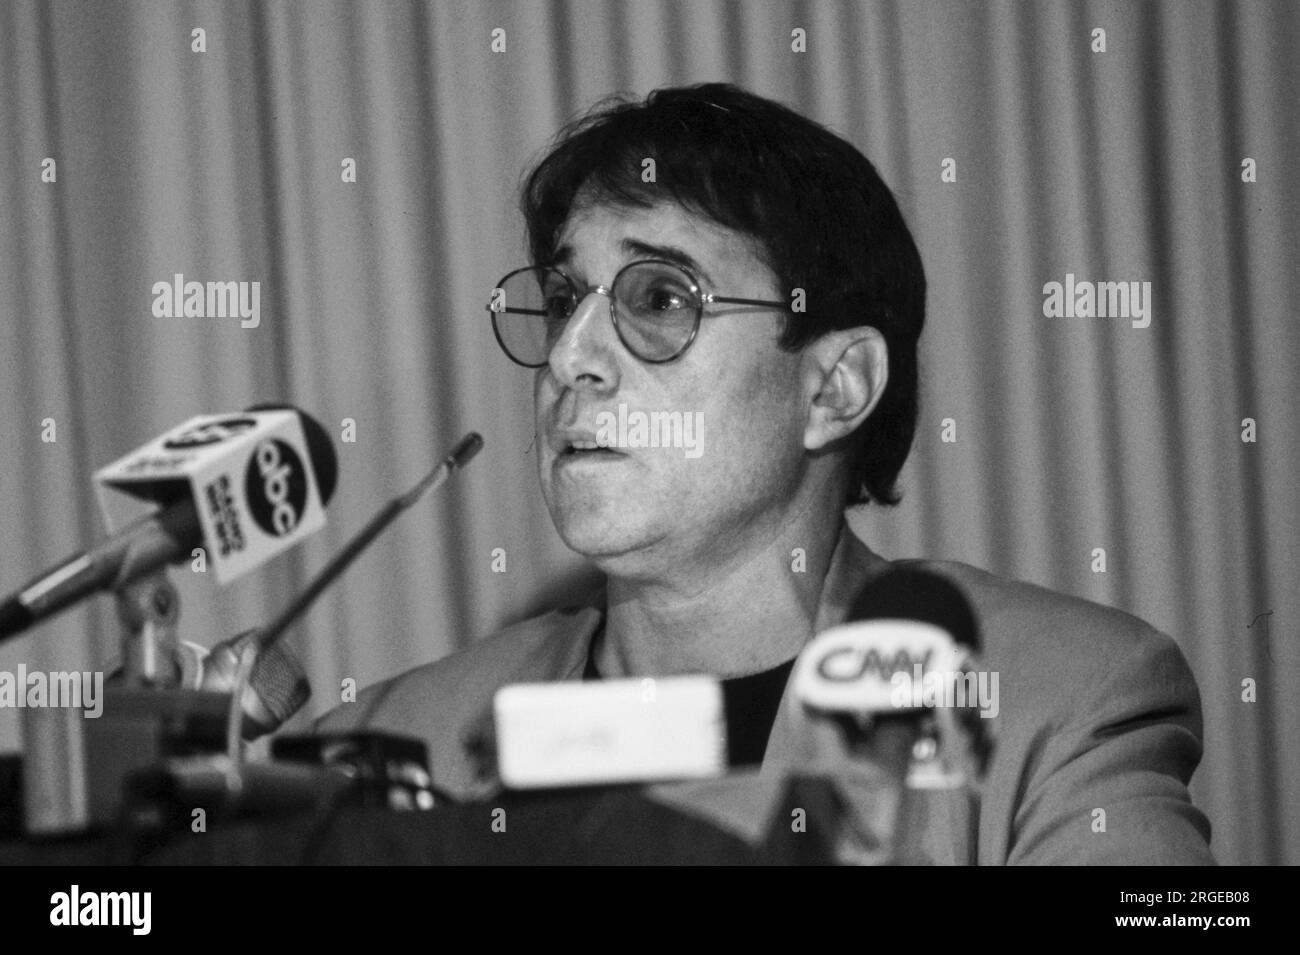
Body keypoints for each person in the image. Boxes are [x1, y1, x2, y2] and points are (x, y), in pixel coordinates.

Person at [316, 82, 1214, 864]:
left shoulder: (1055, 702)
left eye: (660, 298)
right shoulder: (393, 743)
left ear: (834, 387)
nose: (570, 358)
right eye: (561, 302)